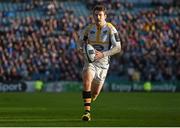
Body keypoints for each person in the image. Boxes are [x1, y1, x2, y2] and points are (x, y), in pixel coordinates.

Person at [78, 4, 121, 121]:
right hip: (90, 62)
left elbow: (118, 48)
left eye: (100, 15)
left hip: (103, 64)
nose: (98, 17)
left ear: (105, 16)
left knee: (95, 94)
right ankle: (87, 113)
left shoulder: (111, 29)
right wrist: (81, 48)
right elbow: (80, 41)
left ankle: (91, 97)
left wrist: (103, 54)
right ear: (93, 15)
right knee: (86, 80)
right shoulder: (88, 28)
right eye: (96, 15)